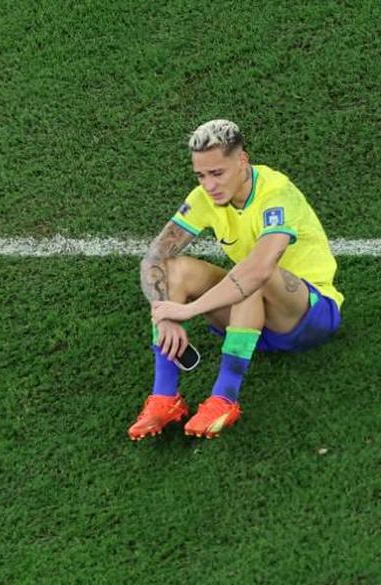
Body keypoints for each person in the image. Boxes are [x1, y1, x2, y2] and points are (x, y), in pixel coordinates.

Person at [129, 119, 343, 440]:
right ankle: (164, 398)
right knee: (174, 269)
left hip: (309, 315)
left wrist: (188, 310)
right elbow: (154, 257)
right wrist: (164, 311)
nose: (209, 185)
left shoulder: (277, 193)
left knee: (255, 270)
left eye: (217, 173)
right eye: (201, 175)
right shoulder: (204, 197)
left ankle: (225, 398)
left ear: (242, 161)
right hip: (253, 318)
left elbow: (258, 269)